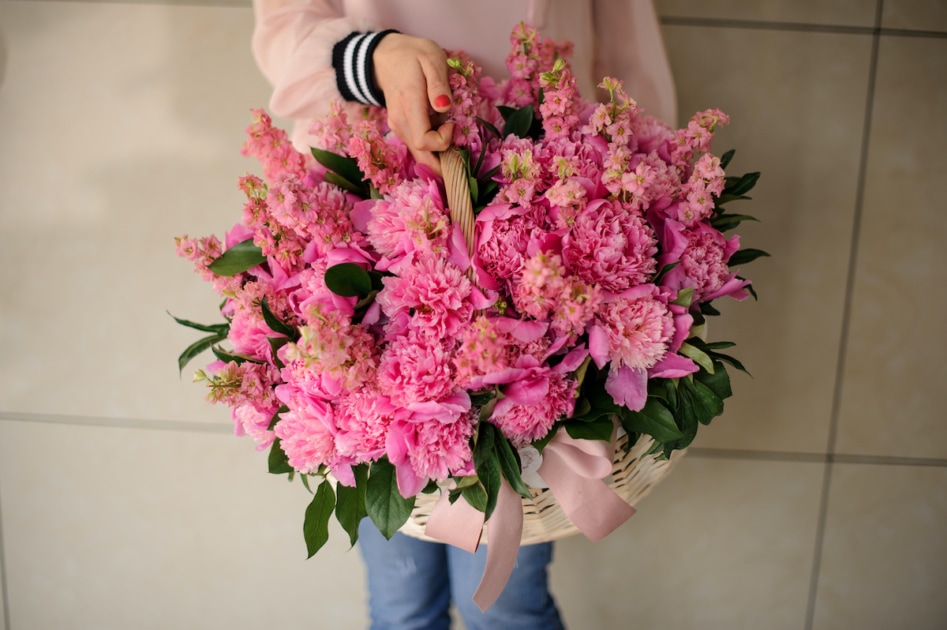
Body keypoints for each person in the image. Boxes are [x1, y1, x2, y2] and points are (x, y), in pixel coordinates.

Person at [249, 2, 677, 628]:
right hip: (361, 215)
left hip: (547, 206)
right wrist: (373, 58)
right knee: (402, 603)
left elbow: (629, 56)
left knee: (506, 608)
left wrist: (651, 206)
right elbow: (287, 25)